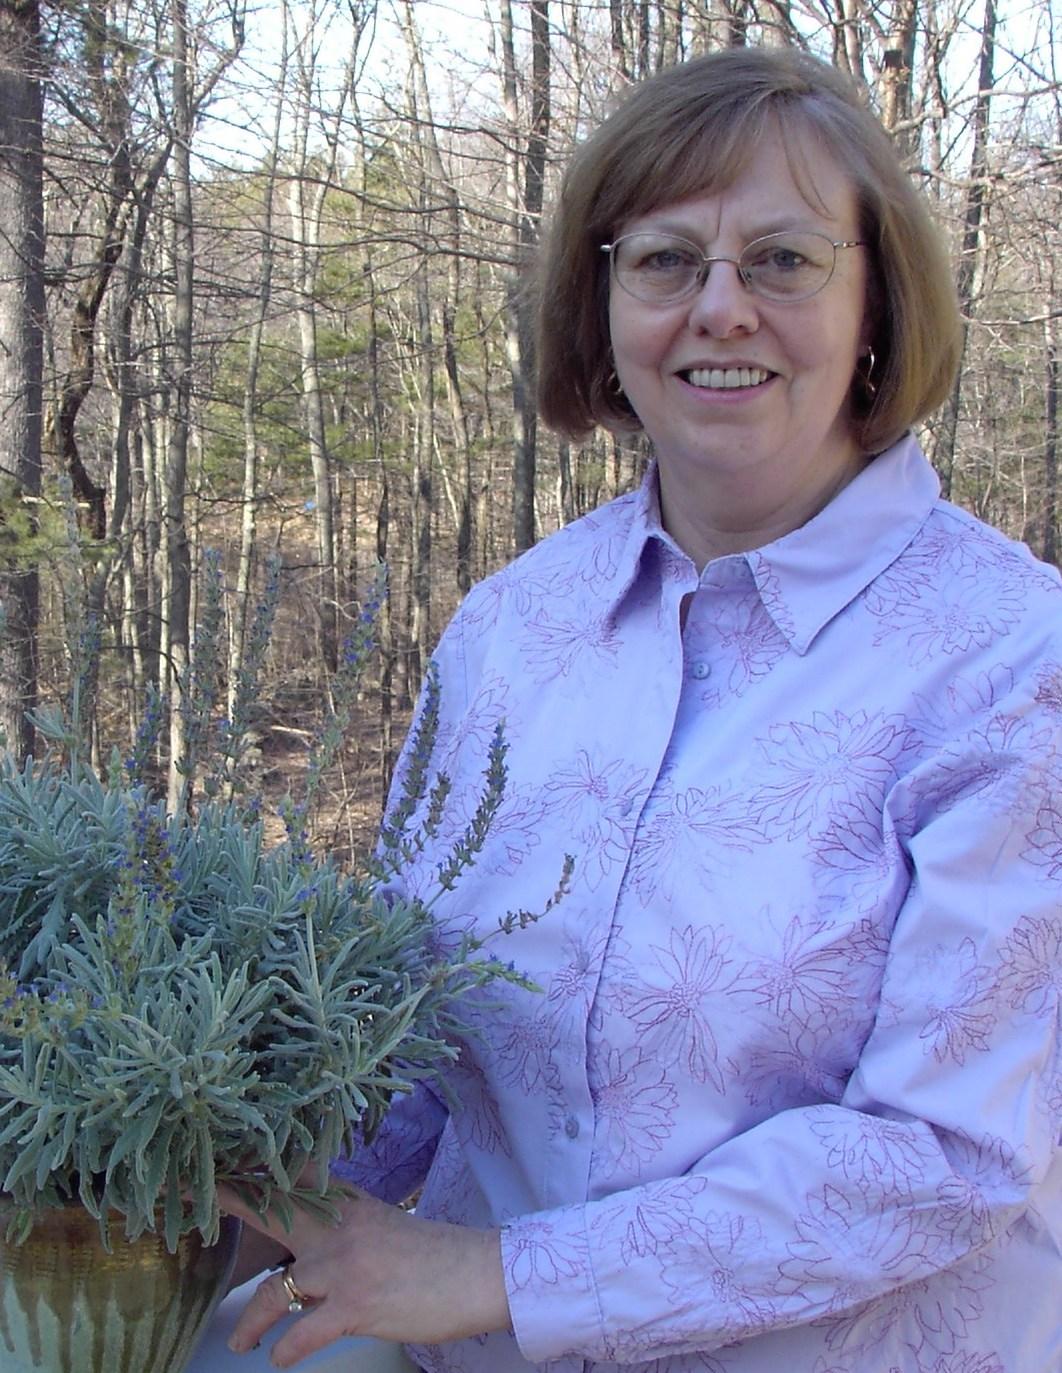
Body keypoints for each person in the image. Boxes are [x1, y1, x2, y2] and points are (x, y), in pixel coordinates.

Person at [222, 44, 1062, 1373]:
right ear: (603, 300)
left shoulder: (1011, 660)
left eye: (781, 260)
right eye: (666, 260)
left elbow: (940, 1154)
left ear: (875, 305)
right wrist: (180, 1137)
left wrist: (497, 1274)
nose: (718, 308)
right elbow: (409, 1029)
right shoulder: (513, 630)